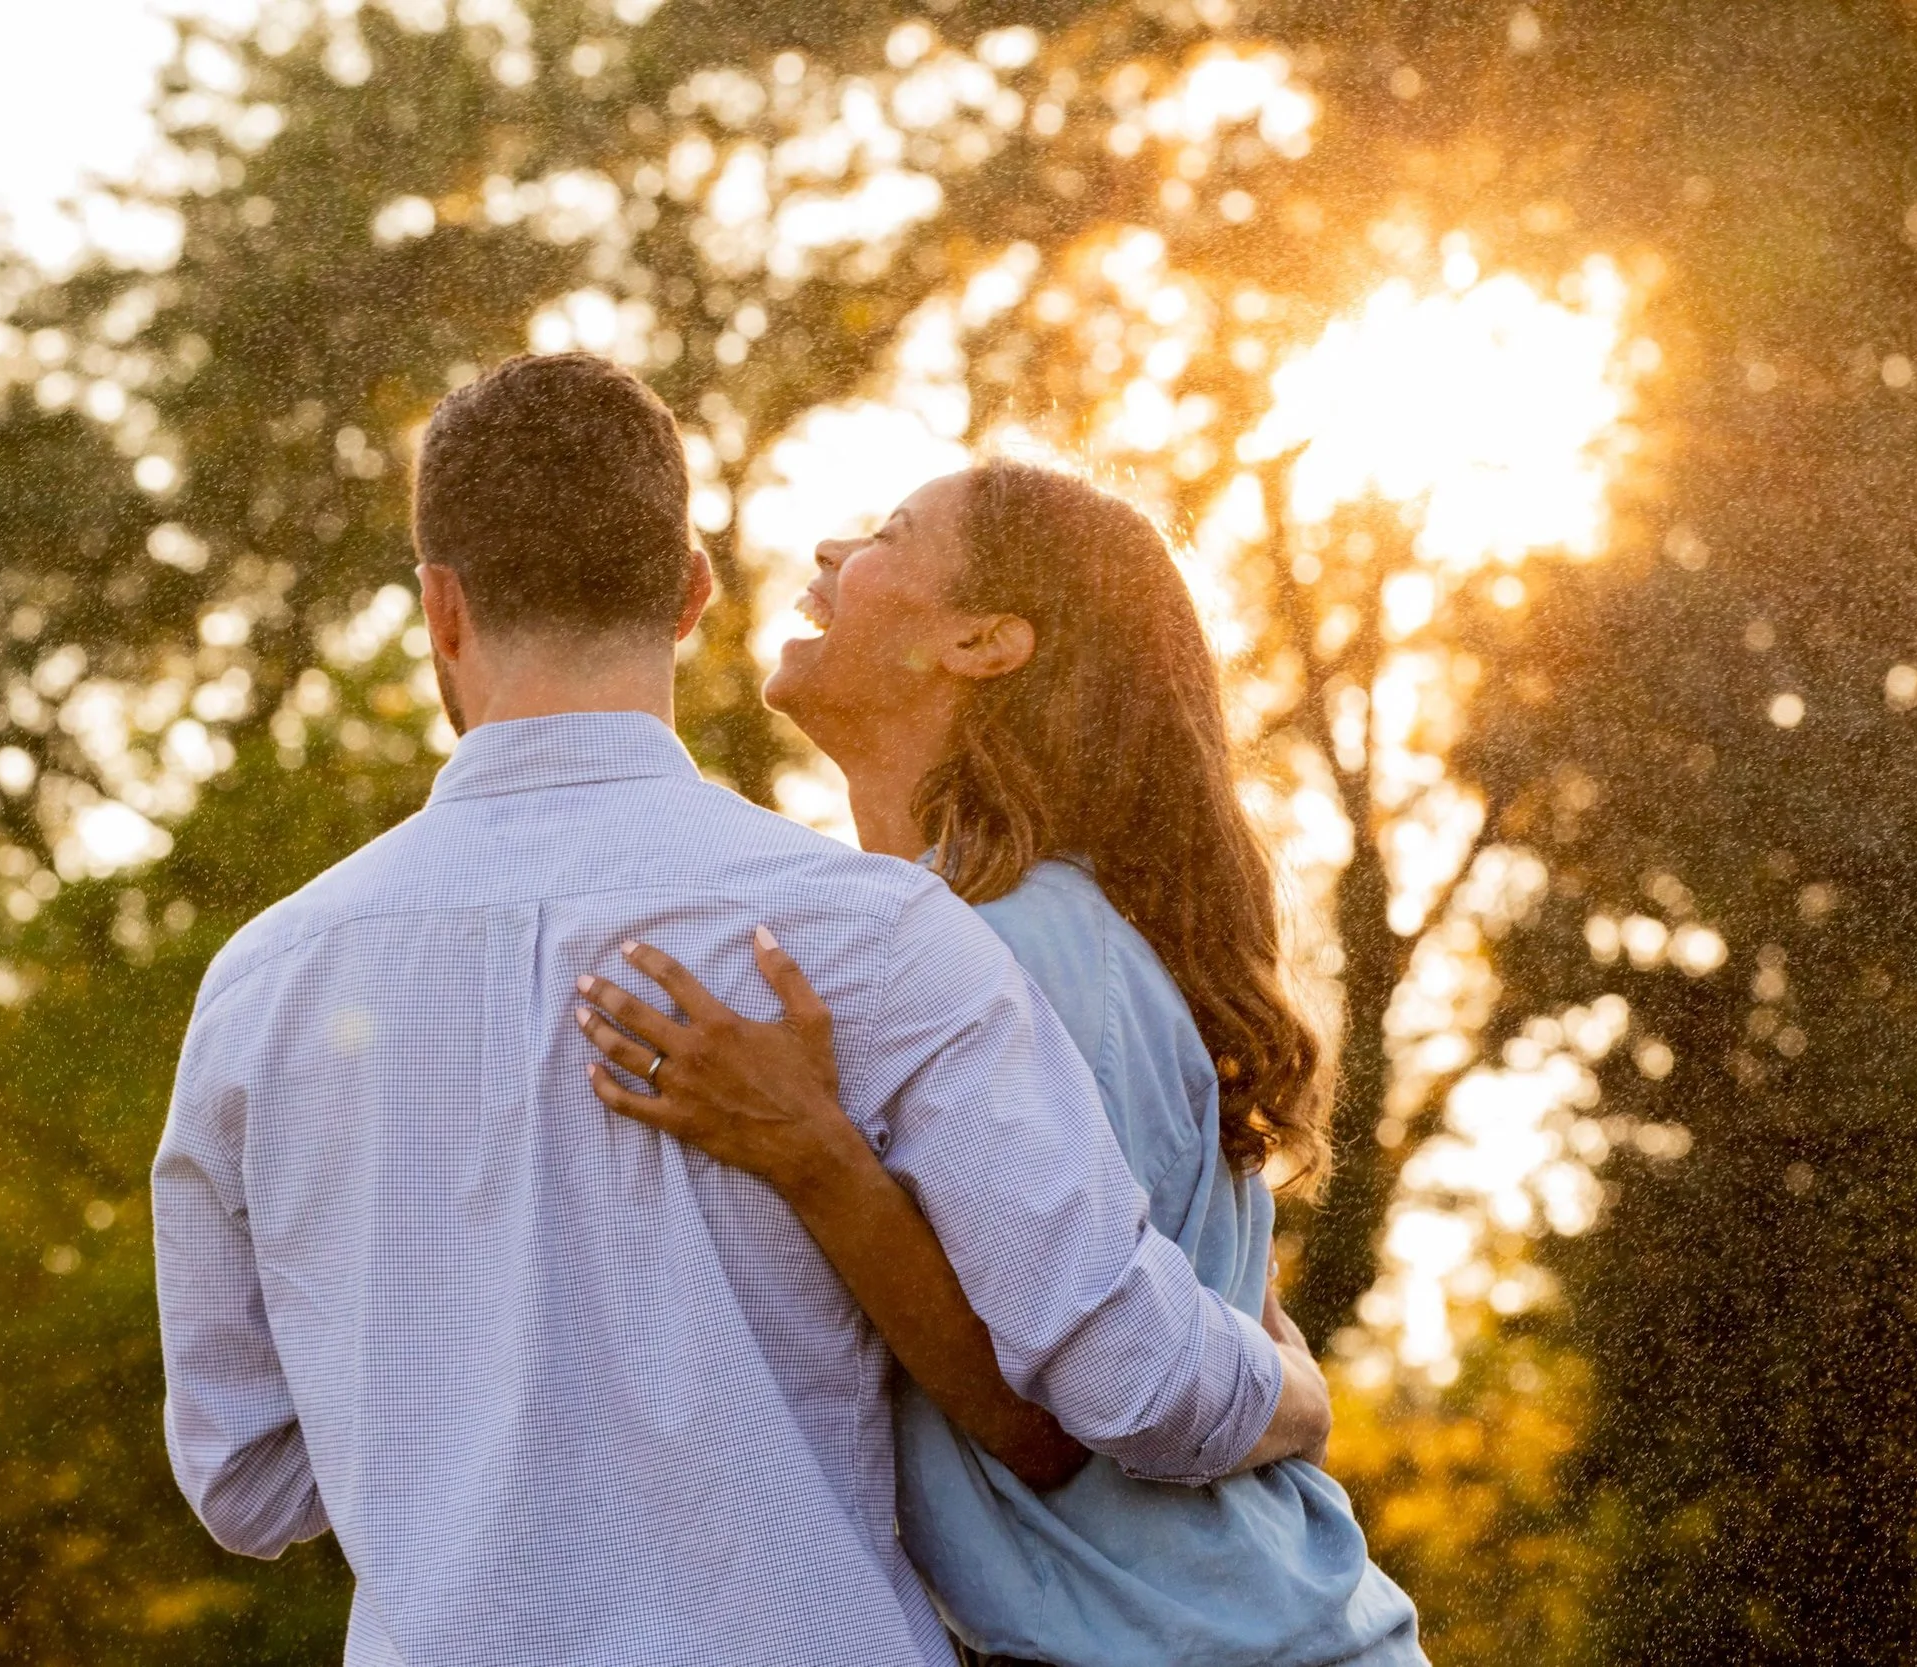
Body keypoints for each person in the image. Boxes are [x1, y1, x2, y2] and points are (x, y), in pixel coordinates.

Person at [152, 354, 1329, 1666]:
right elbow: (1118, 1379)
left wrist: (455, 1367)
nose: (841, 550)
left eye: (886, 535)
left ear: (442, 609)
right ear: (694, 590)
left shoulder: (265, 982)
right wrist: (1294, 1382)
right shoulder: (879, 937)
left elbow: (249, 1482)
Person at [574, 459, 1426, 1665]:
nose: (826, 552)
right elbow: (1227, 1330)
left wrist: (810, 1153)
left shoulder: (1022, 940)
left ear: (982, 640)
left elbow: (1049, 1421)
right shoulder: (1004, 929)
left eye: (884, 532)